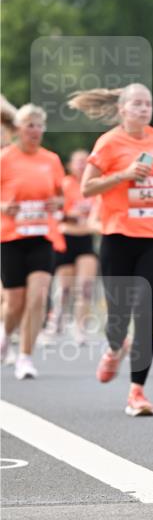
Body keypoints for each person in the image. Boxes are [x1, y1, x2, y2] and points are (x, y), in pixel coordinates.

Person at [74, 83, 153, 416]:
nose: (144, 109)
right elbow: (87, 187)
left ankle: (137, 392)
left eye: (148, 104)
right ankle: (115, 347)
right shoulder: (109, 143)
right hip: (118, 236)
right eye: (137, 104)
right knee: (118, 317)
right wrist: (124, 175)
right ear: (123, 109)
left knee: (145, 312)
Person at [0, 104, 64, 378]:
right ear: (18, 129)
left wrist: (56, 202)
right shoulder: (5, 158)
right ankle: (5, 335)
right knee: (15, 301)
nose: (35, 131)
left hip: (42, 235)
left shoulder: (51, 160)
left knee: (37, 296)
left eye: (39, 126)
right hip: (11, 237)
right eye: (30, 125)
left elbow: (61, 195)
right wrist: (3, 207)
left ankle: (25, 357)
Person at [45, 150, 98, 344]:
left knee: (85, 287)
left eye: (86, 162)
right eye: (78, 162)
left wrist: (88, 220)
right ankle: (55, 322)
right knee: (64, 288)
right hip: (66, 238)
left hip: (86, 239)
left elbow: (98, 213)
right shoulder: (65, 184)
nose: (82, 165)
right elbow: (54, 211)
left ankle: (80, 328)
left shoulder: (93, 185)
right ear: (70, 165)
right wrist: (70, 216)